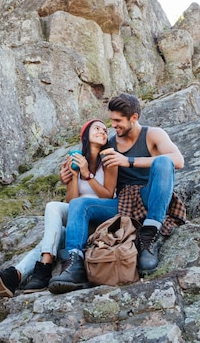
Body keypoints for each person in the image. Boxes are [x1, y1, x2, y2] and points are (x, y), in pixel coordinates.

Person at [48, 93, 185, 294]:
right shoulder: (110, 144)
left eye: (118, 121)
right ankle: (74, 262)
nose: (113, 125)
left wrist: (127, 161)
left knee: (164, 161)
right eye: (111, 119)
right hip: (122, 204)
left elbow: (178, 160)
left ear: (134, 118)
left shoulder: (153, 134)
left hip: (150, 197)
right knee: (80, 204)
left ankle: (147, 239)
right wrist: (69, 174)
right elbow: (90, 161)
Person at [0, 119, 118, 297]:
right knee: (54, 213)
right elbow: (71, 201)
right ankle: (17, 275)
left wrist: (88, 175)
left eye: (105, 130)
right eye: (97, 128)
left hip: (101, 215)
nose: (102, 131)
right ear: (85, 135)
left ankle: (37, 272)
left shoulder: (108, 158)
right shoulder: (76, 160)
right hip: (78, 219)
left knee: (63, 217)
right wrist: (75, 175)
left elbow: (107, 194)